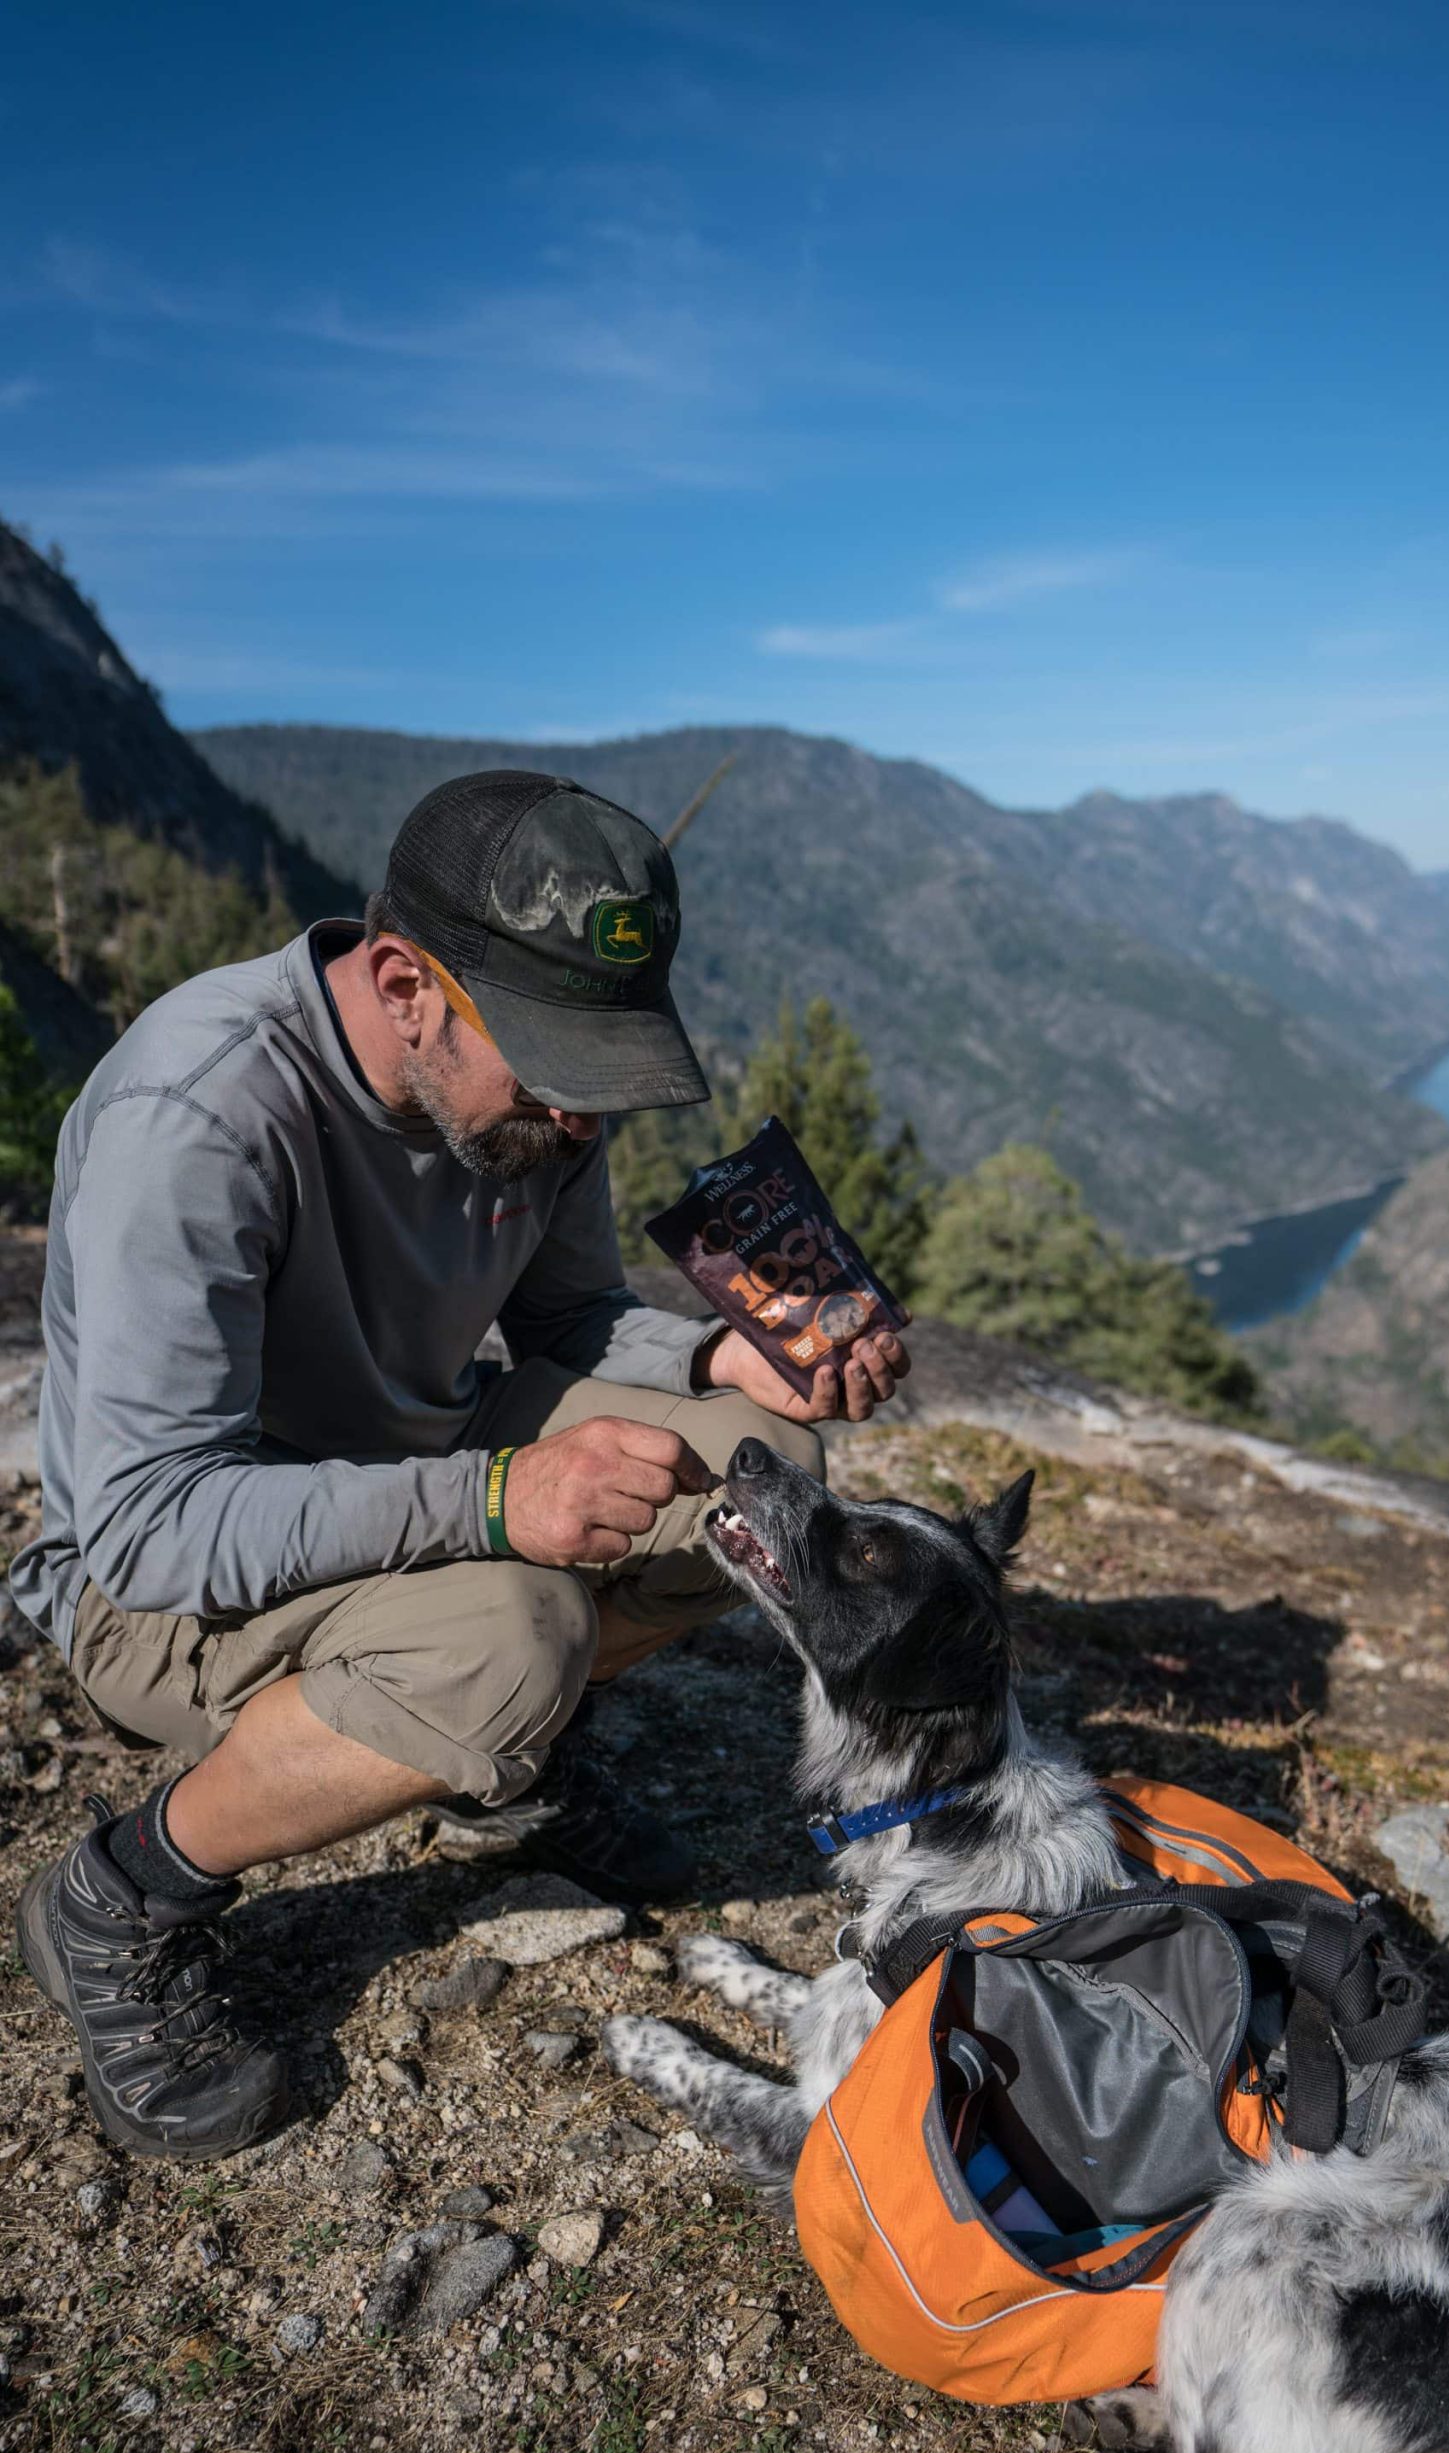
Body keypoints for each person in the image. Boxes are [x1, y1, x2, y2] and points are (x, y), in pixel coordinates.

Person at [9, 768, 909, 2163]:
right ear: (403, 983)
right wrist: (499, 1501)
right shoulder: (197, 1117)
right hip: (170, 1586)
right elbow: (146, 1525)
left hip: (408, 1469)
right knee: (513, 1631)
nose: (584, 1123)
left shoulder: (528, 1101)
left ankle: (504, 1754)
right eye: (554, 1069)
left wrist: (723, 1365)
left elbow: (565, 1323)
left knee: (766, 1467)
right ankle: (124, 1895)